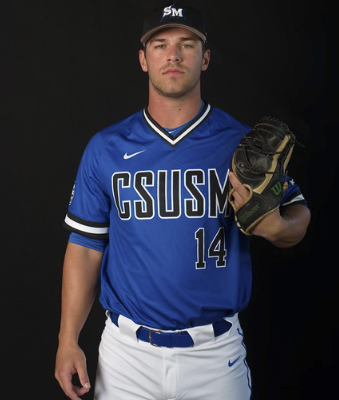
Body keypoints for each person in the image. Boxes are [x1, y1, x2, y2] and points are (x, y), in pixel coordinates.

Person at [55, 3, 311, 399]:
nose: (173, 55)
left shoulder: (240, 144)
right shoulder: (105, 148)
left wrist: (279, 228)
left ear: (205, 57)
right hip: (126, 357)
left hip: (214, 354)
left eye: (186, 44)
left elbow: (298, 213)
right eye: (160, 45)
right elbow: (86, 246)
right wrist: (67, 339)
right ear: (143, 59)